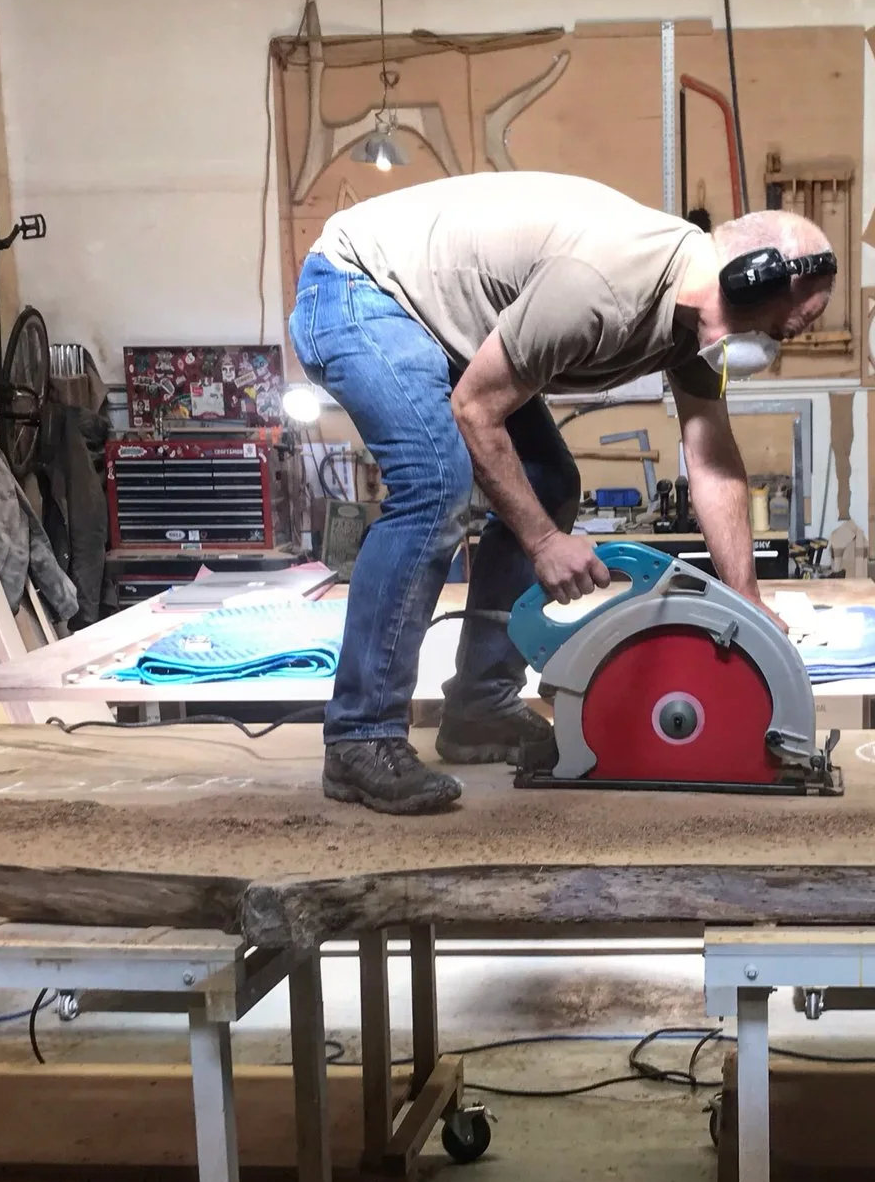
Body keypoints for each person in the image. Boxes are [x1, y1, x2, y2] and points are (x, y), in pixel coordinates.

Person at [287, 172, 837, 815]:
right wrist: (544, 542)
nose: (771, 348)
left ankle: (480, 708)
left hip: (442, 317)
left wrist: (746, 606)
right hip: (361, 286)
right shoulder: (600, 288)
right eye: (779, 329)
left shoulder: (693, 325)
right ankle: (361, 735)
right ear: (748, 279)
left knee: (548, 481)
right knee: (434, 481)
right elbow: (475, 410)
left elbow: (711, 455)